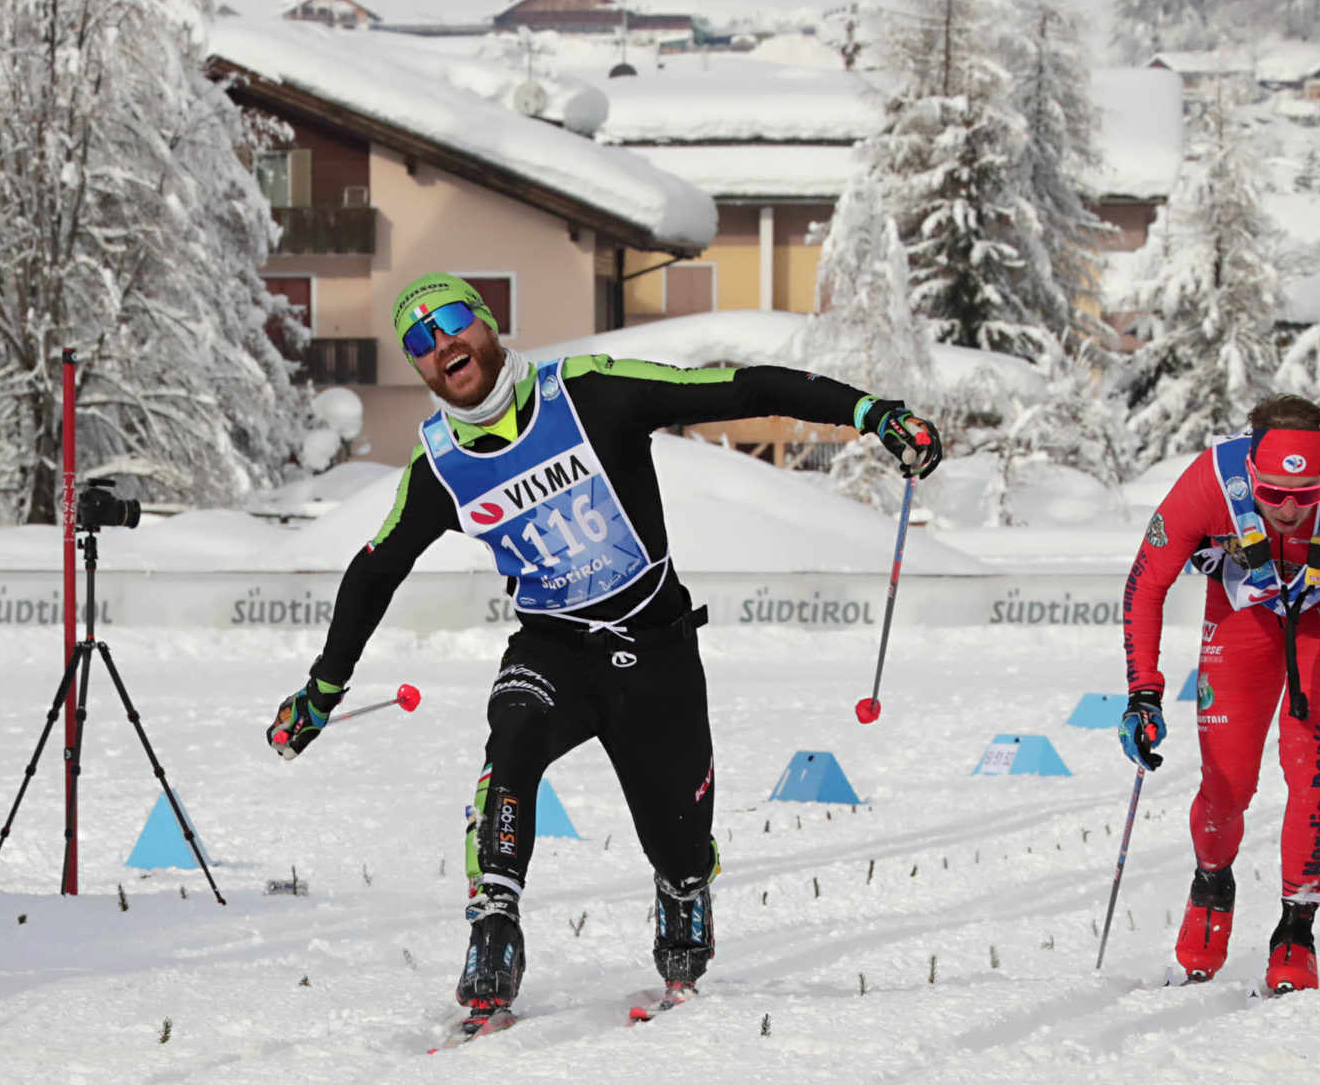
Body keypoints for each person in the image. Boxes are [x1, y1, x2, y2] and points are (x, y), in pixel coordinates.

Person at [266, 272, 942, 1032]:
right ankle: (494, 923)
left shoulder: (589, 392)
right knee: (513, 733)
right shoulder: (440, 465)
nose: (440, 343)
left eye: (452, 320)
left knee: (679, 842)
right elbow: (374, 571)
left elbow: (736, 388)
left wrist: (869, 412)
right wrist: (320, 692)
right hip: (554, 649)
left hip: (656, 649)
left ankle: (684, 890)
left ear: (487, 325)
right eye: (419, 341)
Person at [1118, 393, 1320, 994]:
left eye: (1308, 494)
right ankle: (1212, 881)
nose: (1291, 510)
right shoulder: (1209, 482)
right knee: (1227, 777)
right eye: (1273, 494)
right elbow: (1145, 585)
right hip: (1244, 610)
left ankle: (1296, 929)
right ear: (1251, 474)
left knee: (1306, 751)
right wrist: (1144, 691)